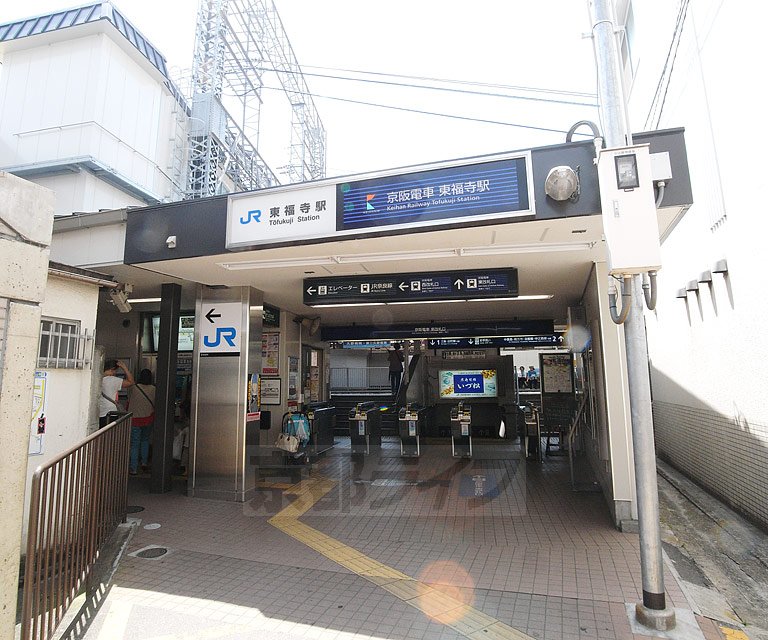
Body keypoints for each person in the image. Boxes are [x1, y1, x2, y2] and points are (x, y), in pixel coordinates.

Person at [127, 369, 155, 475]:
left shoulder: (134, 388)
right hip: (148, 419)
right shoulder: (153, 389)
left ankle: (133, 468)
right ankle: (144, 463)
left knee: (134, 444)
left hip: (135, 419)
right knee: (145, 441)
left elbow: (129, 401)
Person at [99, 359, 134, 428]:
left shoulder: (97, 377)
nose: (115, 373)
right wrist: (124, 367)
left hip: (99, 412)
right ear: (112, 369)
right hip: (110, 412)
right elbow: (131, 382)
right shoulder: (112, 380)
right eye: (115, 371)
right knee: (110, 434)